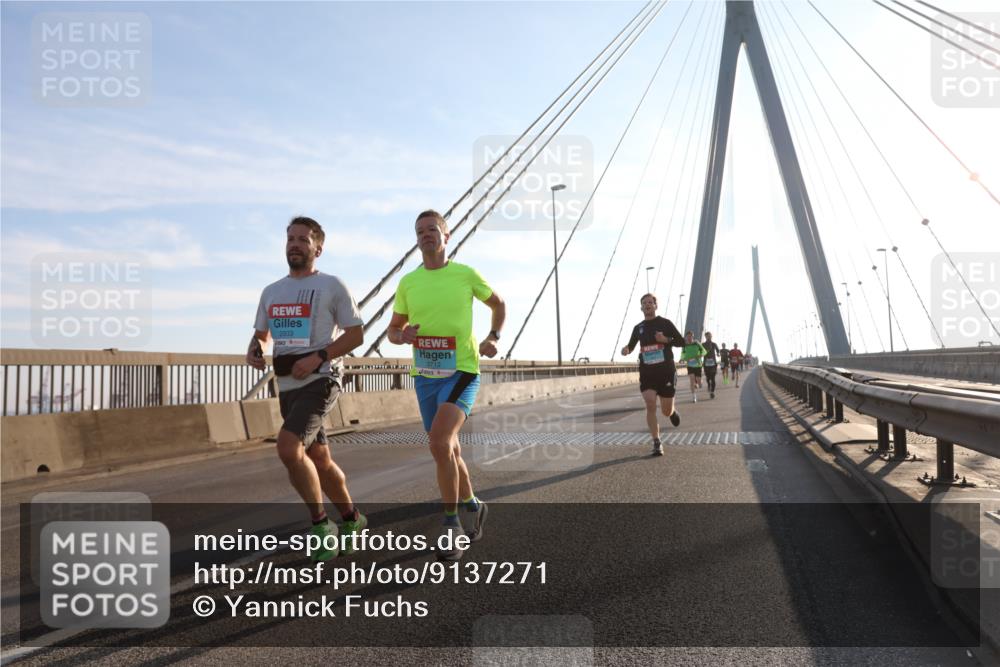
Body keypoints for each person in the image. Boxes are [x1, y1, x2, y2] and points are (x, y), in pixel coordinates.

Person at [248, 216, 366, 562]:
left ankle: (320, 526)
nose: (295, 245)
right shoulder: (271, 291)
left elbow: (355, 334)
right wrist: (254, 347)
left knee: (288, 448)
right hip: (286, 385)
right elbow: (262, 334)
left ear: (318, 247)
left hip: (322, 380)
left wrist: (319, 358)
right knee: (318, 457)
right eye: (290, 239)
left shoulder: (332, 285)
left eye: (303, 239)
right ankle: (352, 519)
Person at [388, 209, 503, 561]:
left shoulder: (465, 274)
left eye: (433, 229)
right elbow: (393, 331)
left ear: (446, 236)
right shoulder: (408, 282)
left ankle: (451, 526)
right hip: (425, 375)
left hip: (463, 370)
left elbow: (498, 304)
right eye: (420, 230)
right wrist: (401, 334)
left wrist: (493, 335)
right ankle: (473, 505)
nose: (426, 234)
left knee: (439, 441)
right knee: (448, 450)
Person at [621, 294, 684, 456]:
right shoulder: (638, 327)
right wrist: (626, 349)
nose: (647, 305)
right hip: (647, 372)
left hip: (666, 372)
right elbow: (631, 345)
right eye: (644, 303)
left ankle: (672, 412)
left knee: (665, 410)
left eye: (650, 302)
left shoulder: (665, 323)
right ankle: (657, 442)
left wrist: (665, 339)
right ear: (641, 308)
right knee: (650, 404)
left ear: (656, 306)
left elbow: (681, 341)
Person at [679, 332, 707, 403]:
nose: (689, 338)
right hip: (690, 365)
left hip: (698, 364)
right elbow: (683, 354)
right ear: (686, 337)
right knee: (691, 380)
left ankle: (700, 382)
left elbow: (704, 351)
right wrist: (682, 359)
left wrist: (699, 356)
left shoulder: (697, 343)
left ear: (692, 337)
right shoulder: (685, 345)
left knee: (699, 382)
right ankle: (694, 396)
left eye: (690, 336)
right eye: (687, 337)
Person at [701, 332, 720, 399]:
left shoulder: (714, 344)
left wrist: (718, 354)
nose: (709, 337)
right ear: (705, 337)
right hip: (706, 363)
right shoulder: (703, 344)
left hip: (713, 364)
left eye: (710, 336)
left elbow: (718, 350)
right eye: (707, 336)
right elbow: (700, 352)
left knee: (713, 378)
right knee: (708, 377)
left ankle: (712, 392)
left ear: (711, 336)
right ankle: (709, 384)